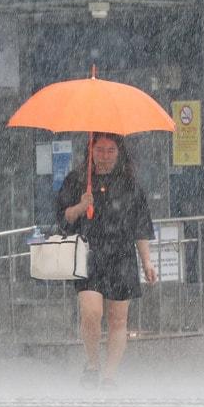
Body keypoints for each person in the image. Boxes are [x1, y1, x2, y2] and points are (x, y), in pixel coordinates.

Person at [55, 133, 158, 388]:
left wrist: (147, 262)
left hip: (122, 254)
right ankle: (92, 364)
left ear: (119, 152)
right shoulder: (77, 180)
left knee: (118, 320)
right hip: (90, 253)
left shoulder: (130, 184)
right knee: (91, 313)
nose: (105, 156)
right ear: (90, 150)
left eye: (111, 150)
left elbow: (141, 226)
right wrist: (81, 206)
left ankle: (110, 375)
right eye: (100, 150)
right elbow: (64, 217)